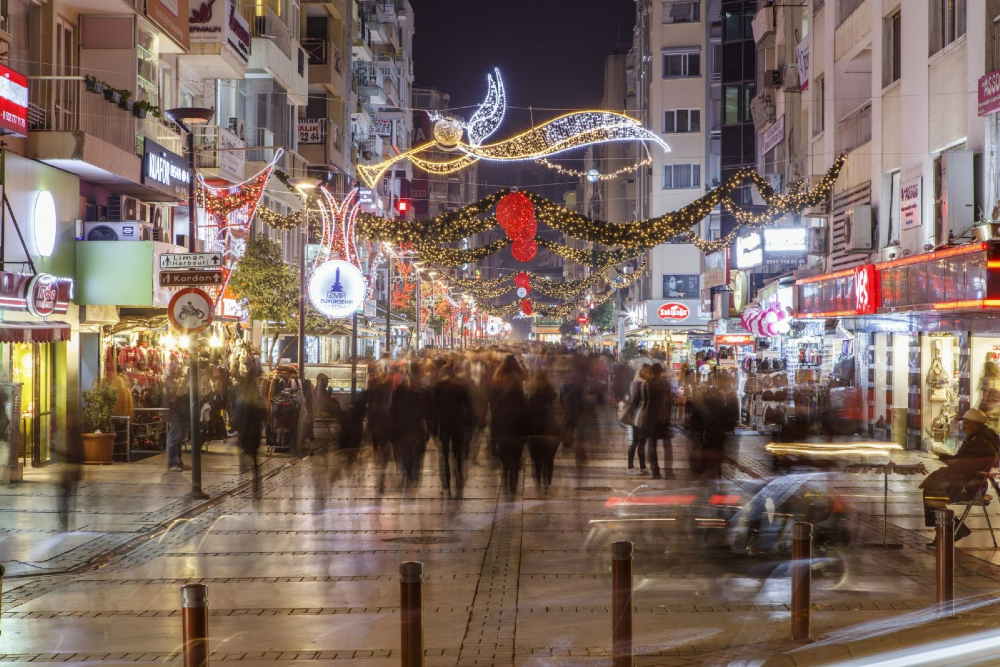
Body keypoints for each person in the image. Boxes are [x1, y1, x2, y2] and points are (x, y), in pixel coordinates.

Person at [921, 409, 1000, 545]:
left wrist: (944, 457)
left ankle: (950, 531)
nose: (963, 426)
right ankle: (951, 529)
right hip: (971, 482)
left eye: (966, 422)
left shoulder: (981, 441)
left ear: (974, 424)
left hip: (970, 486)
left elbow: (965, 465)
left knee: (932, 494)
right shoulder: (979, 437)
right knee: (931, 491)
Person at [434, 362, 474, 495]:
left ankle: (446, 480)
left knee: (444, 454)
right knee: (457, 452)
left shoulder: (438, 387)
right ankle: (459, 474)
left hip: (444, 424)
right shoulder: (460, 387)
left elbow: (433, 408)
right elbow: (468, 407)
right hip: (458, 423)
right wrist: (470, 423)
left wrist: (433, 427)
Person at [491, 355, 528, 494]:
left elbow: (493, 400)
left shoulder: (498, 378)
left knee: (505, 452)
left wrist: (493, 440)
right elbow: (526, 412)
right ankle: (513, 478)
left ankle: (506, 473)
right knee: (516, 454)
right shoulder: (519, 378)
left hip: (503, 418)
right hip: (518, 423)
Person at [526, 371, 561, 490]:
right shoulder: (553, 397)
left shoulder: (531, 399)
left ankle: (538, 480)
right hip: (551, 434)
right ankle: (548, 481)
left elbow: (527, 418)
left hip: (535, 434)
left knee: (537, 460)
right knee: (549, 459)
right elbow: (559, 414)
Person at [233, 374, 264, 497]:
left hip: (246, 432)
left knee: (246, 457)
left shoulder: (240, 401)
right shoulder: (256, 400)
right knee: (255, 461)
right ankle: (256, 486)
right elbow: (261, 416)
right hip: (255, 432)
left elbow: (240, 419)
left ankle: (244, 485)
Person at [645, 363, 674, 479]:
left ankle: (655, 471)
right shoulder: (666, 383)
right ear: (661, 371)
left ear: (652, 372)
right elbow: (671, 399)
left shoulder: (648, 384)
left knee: (652, 444)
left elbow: (646, 401)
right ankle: (669, 470)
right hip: (664, 418)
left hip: (652, 418)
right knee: (667, 445)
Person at [626, 365, 652, 474]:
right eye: (649, 373)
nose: (650, 375)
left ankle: (640, 466)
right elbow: (635, 401)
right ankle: (632, 467)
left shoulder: (637, 383)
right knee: (638, 442)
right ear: (644, 372)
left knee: (639, 442)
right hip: (638, 417)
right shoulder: (639, 384)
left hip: (638, 416)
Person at [164, 363, 189, 472]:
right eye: (174, 368)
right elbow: (175, 396)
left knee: (179, 436)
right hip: (174, 412)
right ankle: (172, 462)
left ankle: (178, 461)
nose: (177, 370)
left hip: (180, 412)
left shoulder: (176, 380)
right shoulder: (169, 382)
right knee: (174, 436)